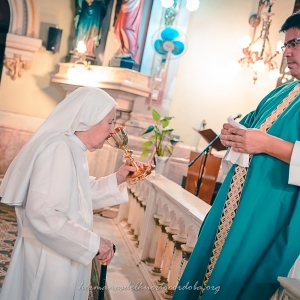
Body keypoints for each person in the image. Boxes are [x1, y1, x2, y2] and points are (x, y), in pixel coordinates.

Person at [172, 11, 300, 300]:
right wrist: (233, 135)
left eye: (295, 43)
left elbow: (264, 141)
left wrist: (267, 144)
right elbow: (250, 132)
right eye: (285, 45)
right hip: (236, 205)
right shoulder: (280, 93)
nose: (287, 52)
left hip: (274, 215)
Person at [0, 87, 147, 300]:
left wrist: (118, 178)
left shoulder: (71, 148)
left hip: (60, 251)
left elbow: (78, 195)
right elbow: (43, 213)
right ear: (90, 118)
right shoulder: (58, 148)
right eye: (110, 122)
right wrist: (92, 243)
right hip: (48, 259)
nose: (113, 131)